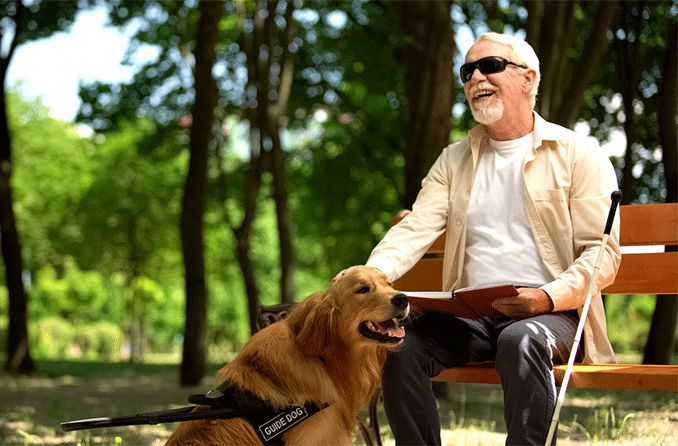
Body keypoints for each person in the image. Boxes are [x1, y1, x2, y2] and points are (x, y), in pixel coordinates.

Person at [334, 32, 621, 445]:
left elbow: (602, 255)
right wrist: (371, 273)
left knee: (519, 338)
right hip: (470, 317)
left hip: (553, 315)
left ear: (528, 78)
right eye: (467, 71)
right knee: (401, 347)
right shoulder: (454, 159)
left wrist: (546, 297)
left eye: (489, 66)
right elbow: (416, 227)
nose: (474, 78)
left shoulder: (578, 153)